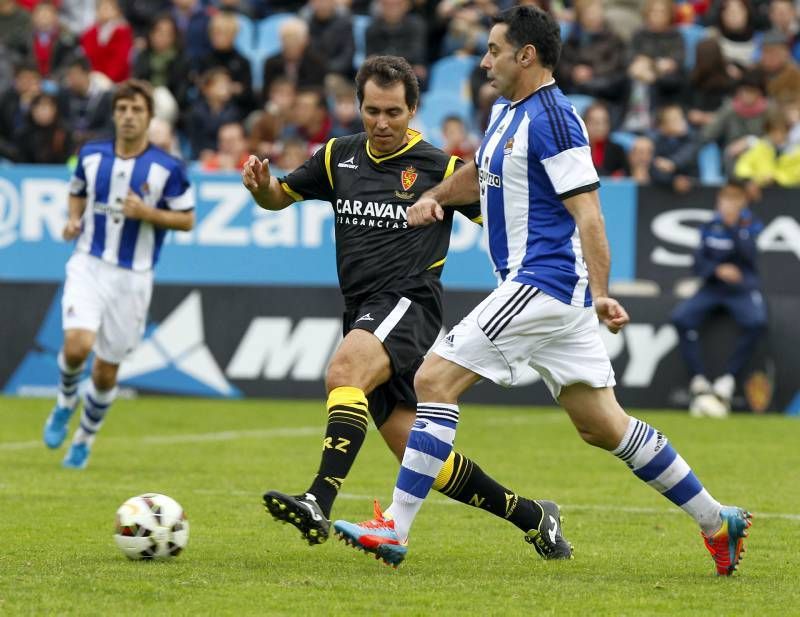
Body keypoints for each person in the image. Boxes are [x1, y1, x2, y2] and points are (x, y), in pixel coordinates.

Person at [334, 6, 752, 576]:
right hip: (549, 292)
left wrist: (601, 291)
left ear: (525, 55)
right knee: (603, 424)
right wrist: (436, 195)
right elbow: (478, 170)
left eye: (494, 50)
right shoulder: (508, 111)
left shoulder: (556, 119)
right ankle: (715, 518)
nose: (485, 60)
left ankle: (396, 528)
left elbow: (591, 215)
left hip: (543, 282)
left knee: (433, 379)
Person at [242, 55, 572, 558]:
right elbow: (279, 197)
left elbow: (508, 221)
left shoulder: (442, 169)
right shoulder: (337, 157)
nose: (382, 122)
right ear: (359, 107)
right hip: (363, 312)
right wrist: (262, 186)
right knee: (420, 457)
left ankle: (317, 499)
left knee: (342, 371)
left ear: (413, 110)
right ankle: (534, 516)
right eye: (372, 110)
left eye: (393, 112)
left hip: (407, 304)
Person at [42, 79, 195, 469]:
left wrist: (148, 213)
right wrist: (73, 220)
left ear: (149, 117)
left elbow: (187, 219)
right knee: (77, 345)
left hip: (134, 278)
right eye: (122, 109)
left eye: (137, 110)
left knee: (107, 370)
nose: (128, 116)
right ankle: (63, 403)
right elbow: (77, 190)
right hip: (88, 264)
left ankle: (84, 439)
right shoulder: (91, 155)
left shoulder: (167, 168)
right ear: (114, 114)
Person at [671, 182, 767, 408]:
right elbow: (697, 263)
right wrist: (717, 270)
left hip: (742, 290)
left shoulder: (751, 225)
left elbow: (750, 257)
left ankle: (728, 379)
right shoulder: (709, 227)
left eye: (732, 202)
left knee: (757, 323)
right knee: (681, 318)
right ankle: (699, 380)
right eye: (723, 201)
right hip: (712, 288)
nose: (727, 206)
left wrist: (734, 227)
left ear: (741, 203)